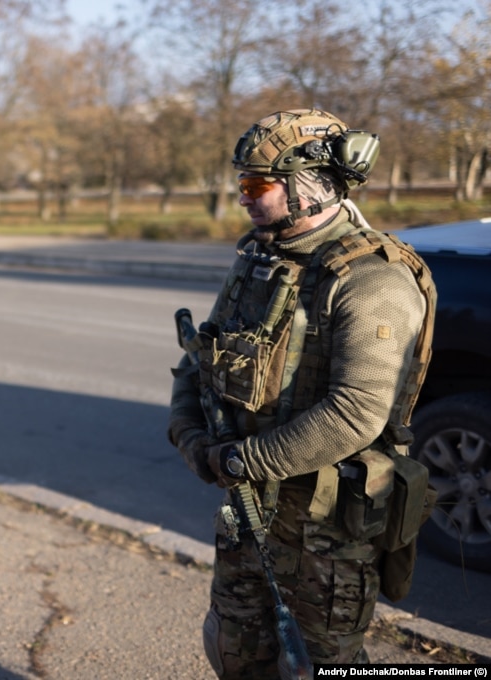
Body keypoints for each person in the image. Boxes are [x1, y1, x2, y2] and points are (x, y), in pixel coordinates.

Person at [168, 109, 434, 677]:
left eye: (255, 185)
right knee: (235, 651)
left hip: (327, 530)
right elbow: (199, 359)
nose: (243, 199)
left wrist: (241, 460)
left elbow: (357, 410)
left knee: (318, 666)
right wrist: (188, 433)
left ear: (306, 186)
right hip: (247, 509)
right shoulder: (258, 260)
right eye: (242, 184)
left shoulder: (372, 278)